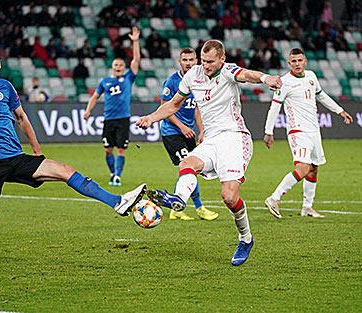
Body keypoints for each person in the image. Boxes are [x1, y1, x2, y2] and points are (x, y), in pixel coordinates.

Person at [0, 48, 147, 270]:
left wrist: (36, 149)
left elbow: (21, 118)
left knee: (65, 170)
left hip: (17, 157)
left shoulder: (5, 87)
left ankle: (117, 202)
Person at [136, 40, 282, 266]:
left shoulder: (227, 71)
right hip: (212, 140)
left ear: (221, 59)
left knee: (229, 197)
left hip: (235, 138)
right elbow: (173, 104)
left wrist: (266, 78)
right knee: (187, 163)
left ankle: (245, 238)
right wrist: (150, 118)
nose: (205, 66)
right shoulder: (192, 75)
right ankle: (179, 200)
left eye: (210, 62)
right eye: (203, 61)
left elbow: (248, 75)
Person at [263, 48, 353, 219]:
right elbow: (275, 106)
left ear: (305, 61)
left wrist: (339, 110)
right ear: (289, 64)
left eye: (299, 60)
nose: (297, 64)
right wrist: (269, 131)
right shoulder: (284, 82)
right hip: (298, 131)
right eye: (293, 61)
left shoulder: (311, 76)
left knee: (313, 169)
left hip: (314, 129)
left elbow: (321, 96)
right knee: (303, 168)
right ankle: (274, 198)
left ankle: (307, 207)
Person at [159, 47, 219, 222]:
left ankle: (179, 209)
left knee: (193, 170)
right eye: (185, 60)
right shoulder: (172, 82)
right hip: (172, 133)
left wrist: (201, 131)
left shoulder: (197, 81)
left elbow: (197, 109)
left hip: (189, 133)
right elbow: (165, 109)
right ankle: (198, 208)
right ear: (180, 62)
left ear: (196, 61)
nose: (188, 63)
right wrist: (182, 127)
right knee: (188, 168)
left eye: (191, 60)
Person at [83, 27, 140, 187]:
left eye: (121, 65)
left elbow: (136, 60)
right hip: (108, 119)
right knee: (108, 150)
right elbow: (95, 96)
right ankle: (112, 172)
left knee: (121, 150)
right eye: (116, 65)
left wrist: (135, 42)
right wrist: (88, 110)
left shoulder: (128, 78)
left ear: (124, 67)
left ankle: (118, 177)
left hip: (123, 119)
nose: (119, 67)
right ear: (112, 67)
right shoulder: (105, 82)